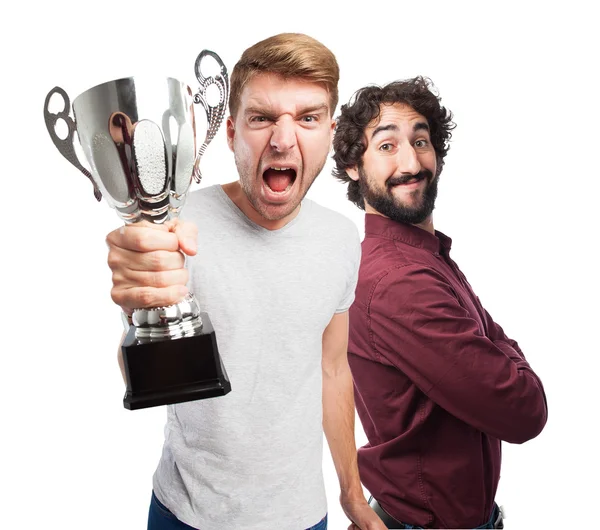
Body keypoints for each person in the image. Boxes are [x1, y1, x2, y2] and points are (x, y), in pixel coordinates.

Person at [106, 33, 386, 530]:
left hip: (301, 516)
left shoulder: (342, 239)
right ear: (231, 131)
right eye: (262, 118)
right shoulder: (177, 224)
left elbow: (333, 370)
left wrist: (352, 493)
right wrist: (141, 303)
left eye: (307, 117)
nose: (282, 139)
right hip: (184, 512)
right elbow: (137, 379)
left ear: (331, 131)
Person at [332, 77, 548, 529]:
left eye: (422, 141)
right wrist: (503, 349)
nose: (411, 162)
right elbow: (524, 411)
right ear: (354, 166)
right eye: (387, 145)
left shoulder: (422, 258)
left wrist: (494, 345)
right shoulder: (400, 282)